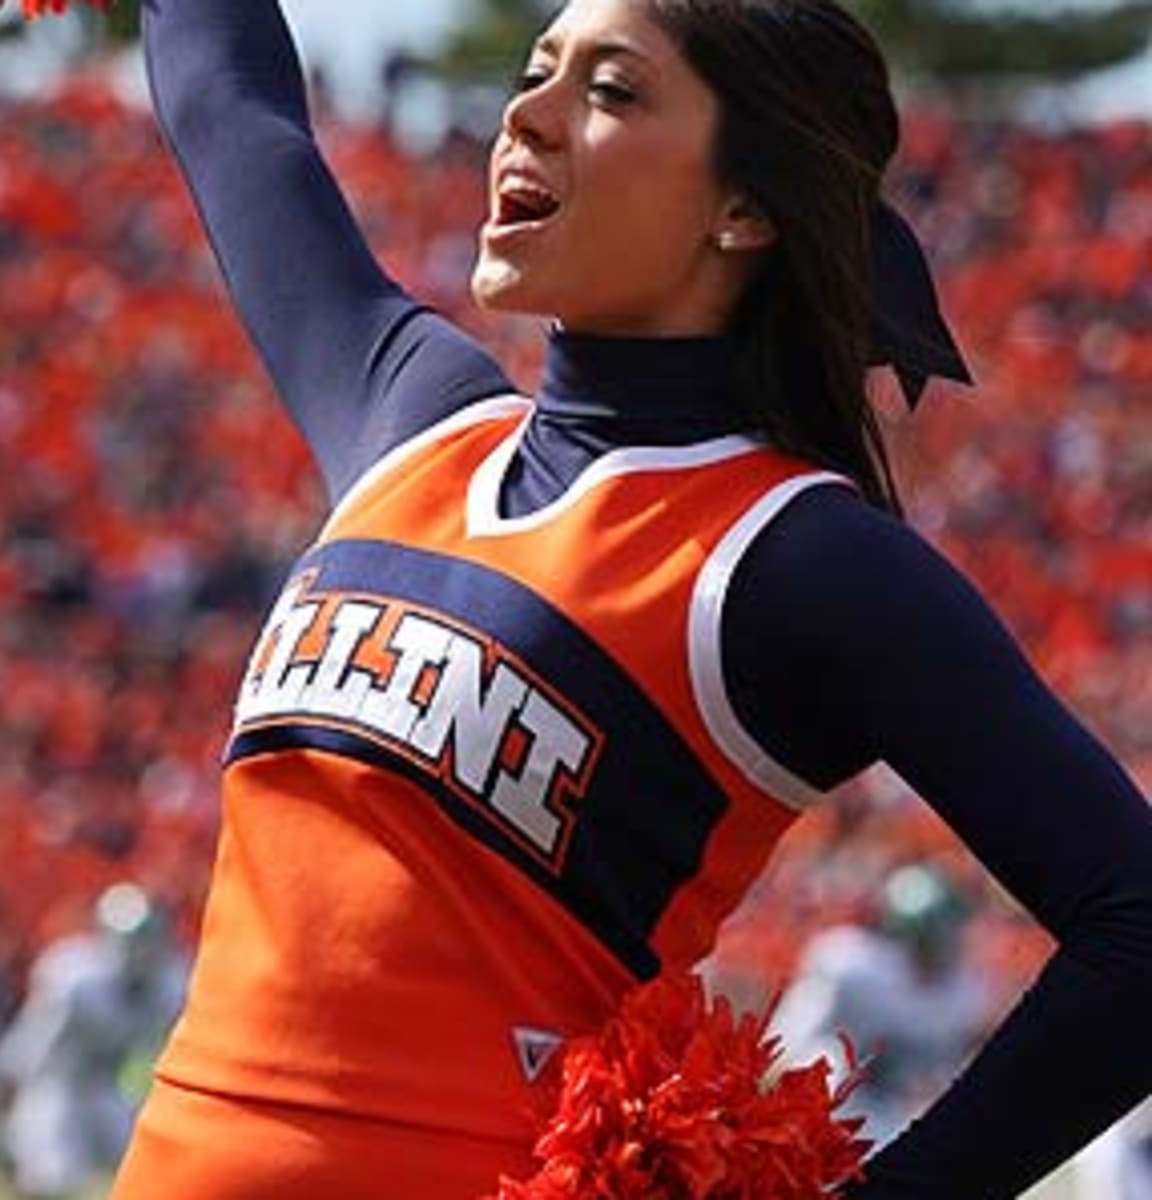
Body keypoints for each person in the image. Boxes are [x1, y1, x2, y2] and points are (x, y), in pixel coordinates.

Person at [100, 0, 1152, 1196]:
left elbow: (1138, 924)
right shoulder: (414, 428)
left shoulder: (792, 558)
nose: (525, 116)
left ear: (744, 207)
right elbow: (234, 113)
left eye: (609, 92)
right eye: (535, 69)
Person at [771, 863, 992, 1148]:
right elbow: (789, 1041)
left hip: (898, 1114)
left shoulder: (964, 992)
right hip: (834, 1103)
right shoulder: (852, 967)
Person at [0, 884, 186, 1200]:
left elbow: (161, 1055)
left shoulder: (170, 984)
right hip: (56, 1081)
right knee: (51, 1177)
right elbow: (32, 1045)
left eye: (149, 939)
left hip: (109, 1085)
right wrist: (8, 1109)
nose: (141, 950)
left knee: (154, 1172)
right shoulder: (75, 979)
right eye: (135, 939)